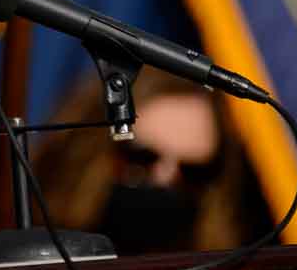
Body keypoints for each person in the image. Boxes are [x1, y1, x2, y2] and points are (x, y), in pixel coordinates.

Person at [31, 68, 270, 256]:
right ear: (89, 155)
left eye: (193, 172)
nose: (164, 180)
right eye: (142, 158)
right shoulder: (27, 264)